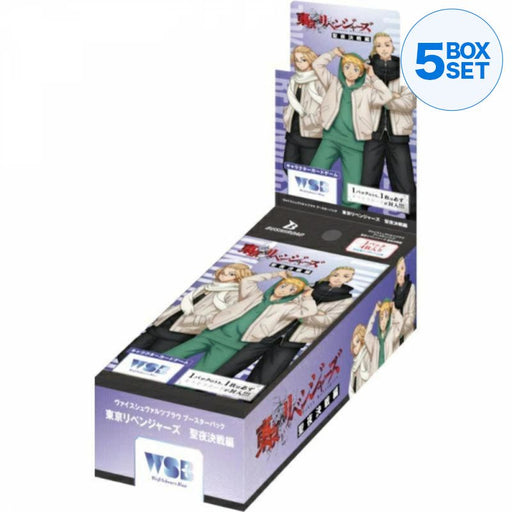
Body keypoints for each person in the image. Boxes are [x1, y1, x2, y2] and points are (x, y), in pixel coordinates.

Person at [215, 266, 356, 384]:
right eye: (336, 274)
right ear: (330, 274)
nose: (338, 278)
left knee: (264, 378)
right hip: (269, 332)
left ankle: (244, 404)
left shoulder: (346, 301)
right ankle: (205, 389)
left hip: (293, 342)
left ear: (349, 279)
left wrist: (302, 314)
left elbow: (328, 321)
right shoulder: (308, 287)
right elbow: (286, 303)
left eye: (345, 276)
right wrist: (313, 313)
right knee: (233, 364)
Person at [164, 272, 317, 374]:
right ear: (277, 284)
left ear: (294, 294)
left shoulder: (287, 308)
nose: (284, 290)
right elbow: (247, 280)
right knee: (169, 357)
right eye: (283, 285)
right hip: (212, 333)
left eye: (291, 290)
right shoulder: (254, 294)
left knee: (199, 374)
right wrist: (275, 274)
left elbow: (309, 311)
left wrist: (307, 296)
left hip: (233, 345)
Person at [309, 48, 392, 208]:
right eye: (347, 67)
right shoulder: (333, 83)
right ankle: (309, 208)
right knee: (314, 173)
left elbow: (386, 96)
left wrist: (373, 76)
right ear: (342, 68)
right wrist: (332, 53)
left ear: (361, 73)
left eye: (356, 69)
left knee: (352, 187)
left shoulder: (366, 91)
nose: (350, 72)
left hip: (355, 144)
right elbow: (317, 65)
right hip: (331, 139)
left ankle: (351, 215)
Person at [119, 263, 252, 358]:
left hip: (183, 331)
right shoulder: (208, 287)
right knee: (124, 354)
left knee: (150, 359)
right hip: (163, 324)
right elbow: (186, 305)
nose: (224, 274)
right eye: (224, 271)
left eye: (231, 274)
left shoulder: (235, 294)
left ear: (240, 278)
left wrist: (194, 321)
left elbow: (224, 317)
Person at [361, 32, 417, 219]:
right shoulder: (366, 69)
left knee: (404, 182)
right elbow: (365, 99)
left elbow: (409, 103)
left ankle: (414, 222)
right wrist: (393, 96)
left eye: (387, 44)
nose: (383, 48)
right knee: (366, 180)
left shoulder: (406, 70)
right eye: (379, 45)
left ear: (393, 46)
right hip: (372, 133)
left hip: (398, 135)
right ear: (374, 48)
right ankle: (358, 220)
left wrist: (383, 97)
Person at [283, 45, 325, 168]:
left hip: (311, 134)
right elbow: (292, 102)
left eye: (303, 60)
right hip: (292, 132)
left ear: (311, 59)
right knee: (288, 167)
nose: (299, 63)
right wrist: (286, 114)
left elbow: (327, 107)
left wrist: (311, 120)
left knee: (309, 169)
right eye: (296, 60)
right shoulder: (294, 79)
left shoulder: (320, 81)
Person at [364, 299, 404, 372]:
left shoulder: (391, 336)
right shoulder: (375, 341)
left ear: (389, 320)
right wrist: (374, 313)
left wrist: (394, 310)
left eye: (386, 317)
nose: (383, 321)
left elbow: (400, 323)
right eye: (381, 318)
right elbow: (366, 335)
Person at [393, 256, 416, 344]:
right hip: (396, 338)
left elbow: (411, 316)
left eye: (402, 269)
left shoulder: (411, 287)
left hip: (407, 334)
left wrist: (400, 332)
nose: (400, 274)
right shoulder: (395, 291)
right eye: (398, 272)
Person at [348, 324, 371, 397]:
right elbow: (351, 388)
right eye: (354, 341)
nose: (354, 345)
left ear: (362, 341)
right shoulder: (355, 365)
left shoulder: (367, 356)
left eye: (357, 341)